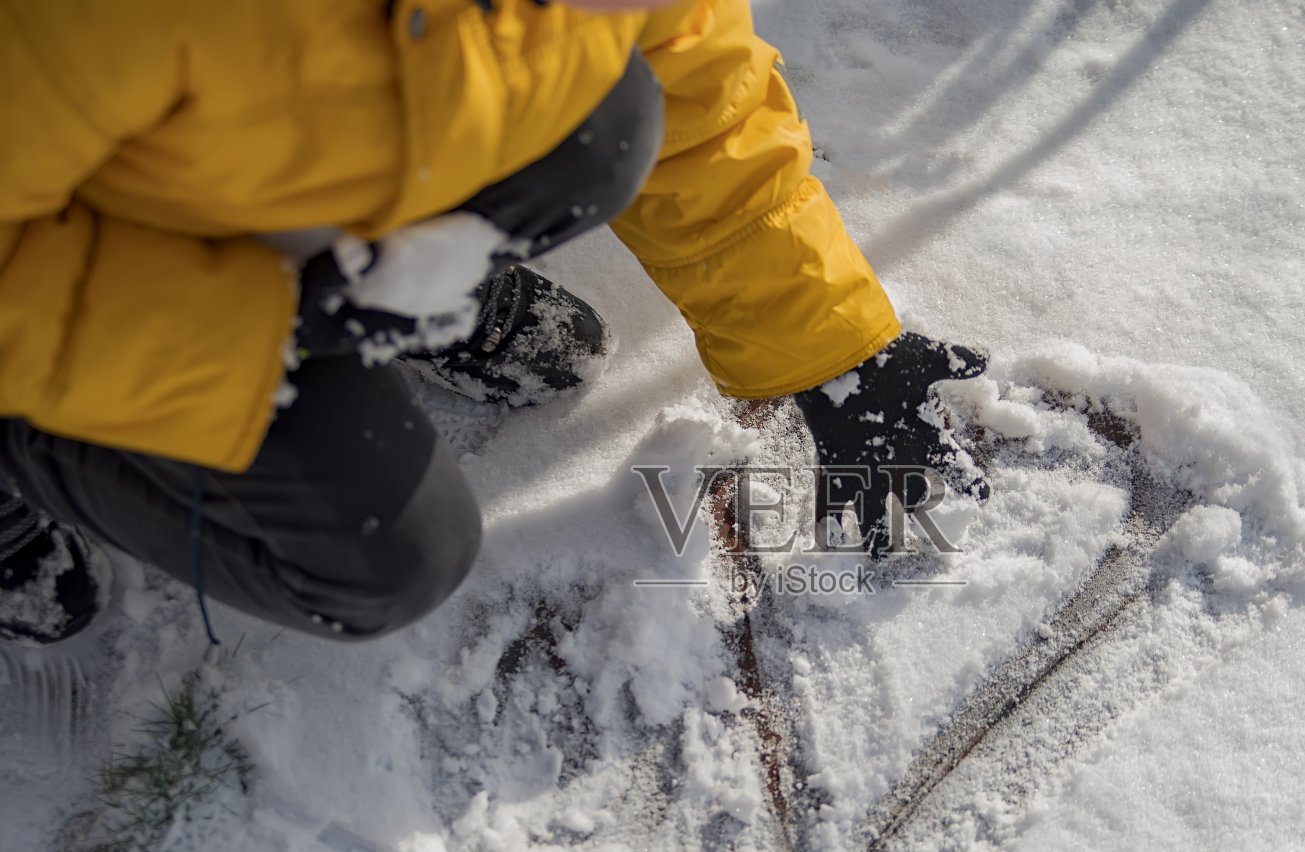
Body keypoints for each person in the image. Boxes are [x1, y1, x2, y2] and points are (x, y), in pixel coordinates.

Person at [0, 0, 987, 647]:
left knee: (602, 129)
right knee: (390, 558)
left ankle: (401, 274)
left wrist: (830, 347)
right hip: (88, 266)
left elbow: (689, 70)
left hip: (286, 185)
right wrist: (263, 322)